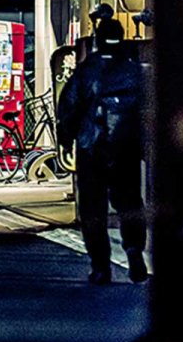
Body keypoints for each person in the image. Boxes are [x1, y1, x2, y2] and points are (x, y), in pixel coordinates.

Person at [56, 17, 148, 285]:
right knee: (129, 202)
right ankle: (134, 249)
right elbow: (149, 110)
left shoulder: (87, 70)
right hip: (126, 147)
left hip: (92, 146)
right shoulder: (134, 71)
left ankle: (100, 266)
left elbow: (69, 106)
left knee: (93, 208)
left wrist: (66, 139)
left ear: (97, 38)